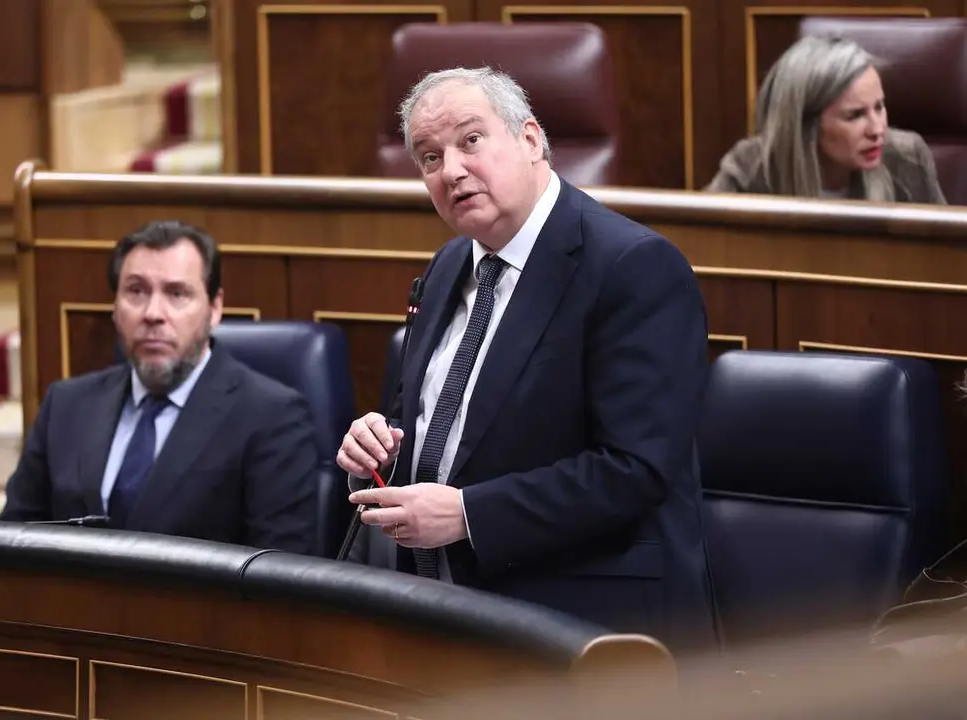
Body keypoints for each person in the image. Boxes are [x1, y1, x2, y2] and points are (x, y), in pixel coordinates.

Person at [336, 67, 718, 651]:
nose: (452, 170)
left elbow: (635, 469)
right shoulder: (445, 269)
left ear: (531, 139)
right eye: (429, 158)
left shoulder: (632, 267)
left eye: (470, 140)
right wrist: (381, 443)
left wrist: (470, 516)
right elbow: (449, 429)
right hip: (446, 617)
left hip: (588, 630)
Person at [0, 220, 319, 555]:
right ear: (115, 307)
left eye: (177, 294)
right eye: (136, 291)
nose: (153, 313)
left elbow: (282, 576)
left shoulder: (272, 417)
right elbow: (10, 542)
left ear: (215, 308)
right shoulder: (66, 405)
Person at [707, 35, 946, 204]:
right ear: (804, 124)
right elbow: (703, 248)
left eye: (879, 107)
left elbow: (946, 258)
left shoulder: (907, 158)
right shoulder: (752, 166)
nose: (877, 129)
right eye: (855, 115)